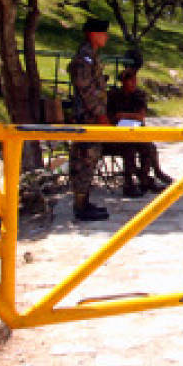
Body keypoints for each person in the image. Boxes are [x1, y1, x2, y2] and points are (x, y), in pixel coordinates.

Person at [68, 17, 111, 221]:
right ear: (93, 34)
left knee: (90, 159)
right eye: (103, 33)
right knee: (83, 160)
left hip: (92, 117)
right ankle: (80, 206)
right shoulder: (84, 58)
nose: (106, 37)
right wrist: (100, 114)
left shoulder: (92, 57)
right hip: (87, 118)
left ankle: (84, 202)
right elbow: (86, 90)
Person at [107, 67, 172, 197]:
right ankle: (129, 183)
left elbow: (140, 116)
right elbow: (110, 116)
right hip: (118, 134)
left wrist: (123, 115)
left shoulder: (139, 95)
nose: (133, 83)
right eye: (130, 81)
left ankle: (145, 178)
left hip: (136, 130)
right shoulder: (114, 96)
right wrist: (120, 117)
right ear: (123, 82)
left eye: (134, 80)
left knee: (148, 147)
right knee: (128, 149)